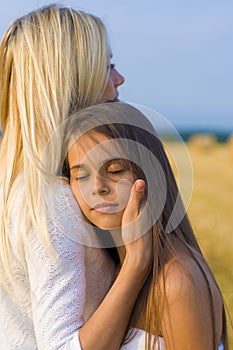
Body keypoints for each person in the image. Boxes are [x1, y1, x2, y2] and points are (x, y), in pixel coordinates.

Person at [0, 4, 153, 350]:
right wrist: (136, 264)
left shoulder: (20, 187)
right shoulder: (53, 201)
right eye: (107, 65)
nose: (119, 78)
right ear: (75, 80)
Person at [63, 102, 228, 350]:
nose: (97, 187)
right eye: (81, 175)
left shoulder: (177, 280)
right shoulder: (111, 270)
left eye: (115, 170)